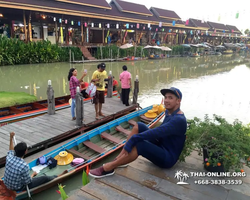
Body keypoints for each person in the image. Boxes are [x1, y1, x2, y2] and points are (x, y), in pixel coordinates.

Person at [89, 87, 187, 178]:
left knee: (140, 144)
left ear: (178, 101)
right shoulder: (168, 112)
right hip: (161, 144)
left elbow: (157, 132)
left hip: (167, 158)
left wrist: (133, 140)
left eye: (170, 98)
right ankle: (119, 159)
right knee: (139, 125)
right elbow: (160, 132)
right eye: (165, 97)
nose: (166, 100)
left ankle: (108, 168)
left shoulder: (179, 120)